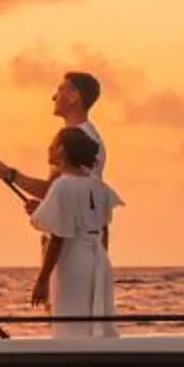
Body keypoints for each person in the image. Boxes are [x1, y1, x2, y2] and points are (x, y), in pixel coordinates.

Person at [29, 126, 123, 336]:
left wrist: (42, 281)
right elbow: (103, 229)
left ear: (62, 150)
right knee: (96, 323)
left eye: (53, 144)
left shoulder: (62, 185)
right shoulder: (99, 185)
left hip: (73, 264)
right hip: (99, 261)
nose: (49, 148)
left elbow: (59, 236)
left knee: (71, 325)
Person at [0, 71, 106, 210]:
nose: (54, 97)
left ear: (73, 97)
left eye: (60, 90)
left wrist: (7, 173)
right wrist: (45, 211)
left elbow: (50, 190)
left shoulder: (76, 140)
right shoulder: (91, 135)